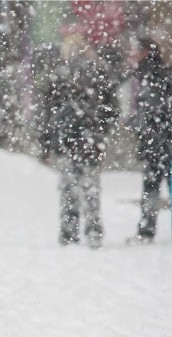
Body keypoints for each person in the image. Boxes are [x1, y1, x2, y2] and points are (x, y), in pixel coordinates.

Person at [38, 37, 119, 249]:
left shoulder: (64, 78)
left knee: (72, 189)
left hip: (72, 141)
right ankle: (89, 231)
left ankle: (71, 232)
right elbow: (111, 109)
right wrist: (101, 130)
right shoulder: (97, 76)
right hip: (83, 142)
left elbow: (47, 114)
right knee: (87, 189)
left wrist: (47, 143)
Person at [127, 38, 172, 245]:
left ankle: (146, 231)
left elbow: (155, 111)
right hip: (160, 144)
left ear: (145, 52)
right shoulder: (152, 75)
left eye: (136, 50)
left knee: (152, 188)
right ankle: (146, 230)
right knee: (152, 188)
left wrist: (142, 127)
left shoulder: (154, 76)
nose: (132, 54)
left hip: (161, 145)